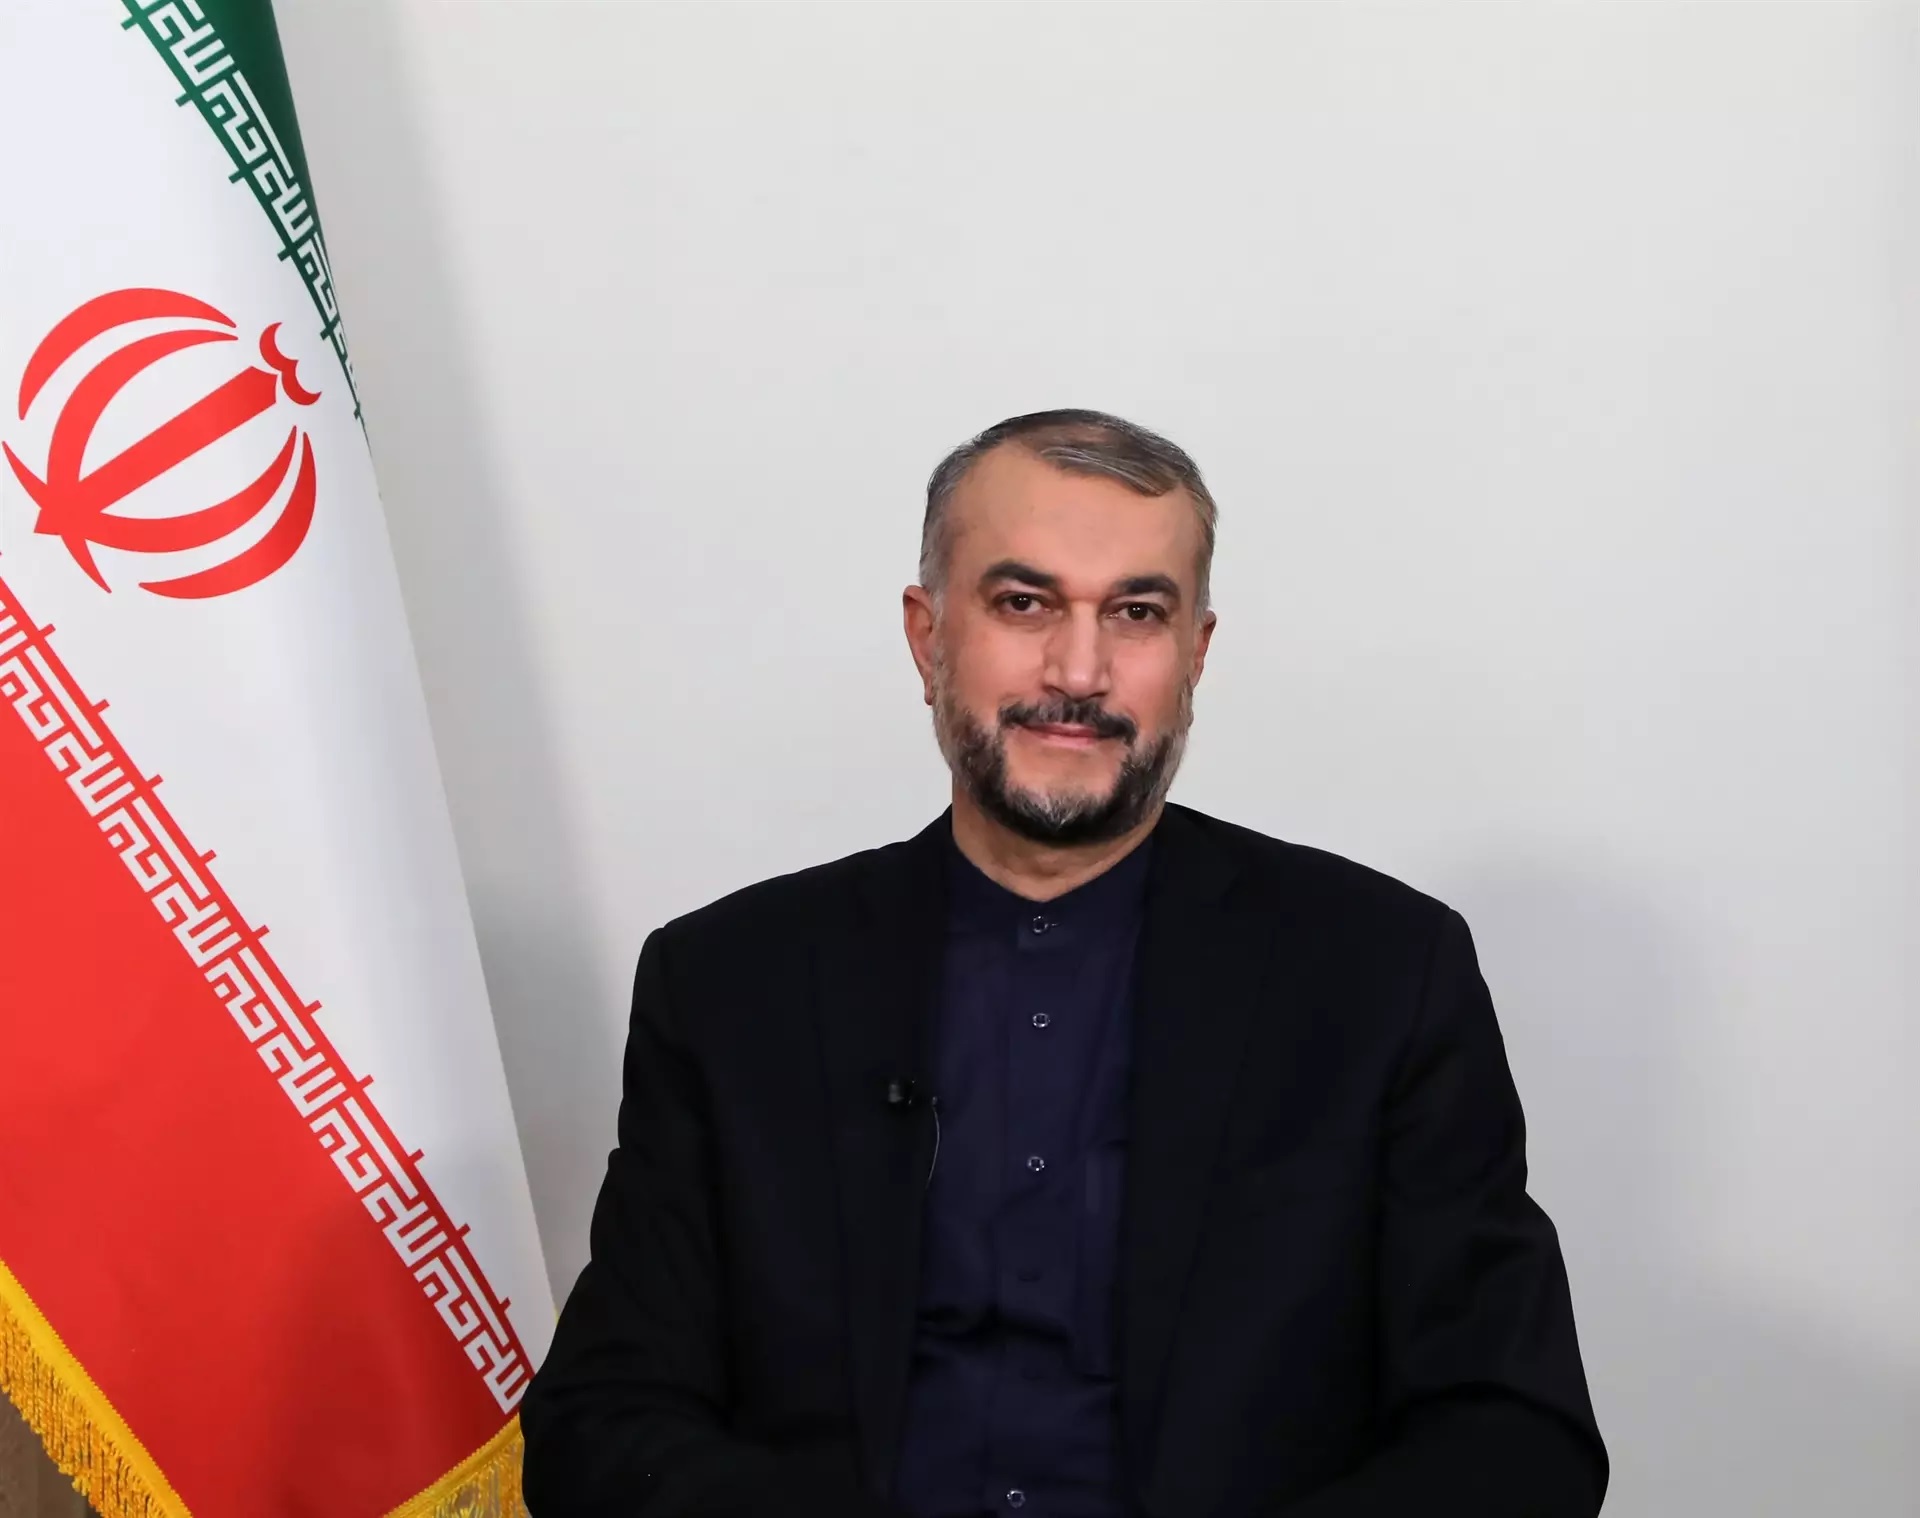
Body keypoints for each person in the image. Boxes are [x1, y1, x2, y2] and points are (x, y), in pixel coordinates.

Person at [521, 410, 1607, 1518]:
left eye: (1137, 613)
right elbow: (602, 1419)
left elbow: (1515, 1434)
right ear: (928, 638)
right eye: (1023, 603)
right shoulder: (729, 983)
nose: (1080, 671)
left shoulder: (1381, 974)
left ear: (1196, 654)